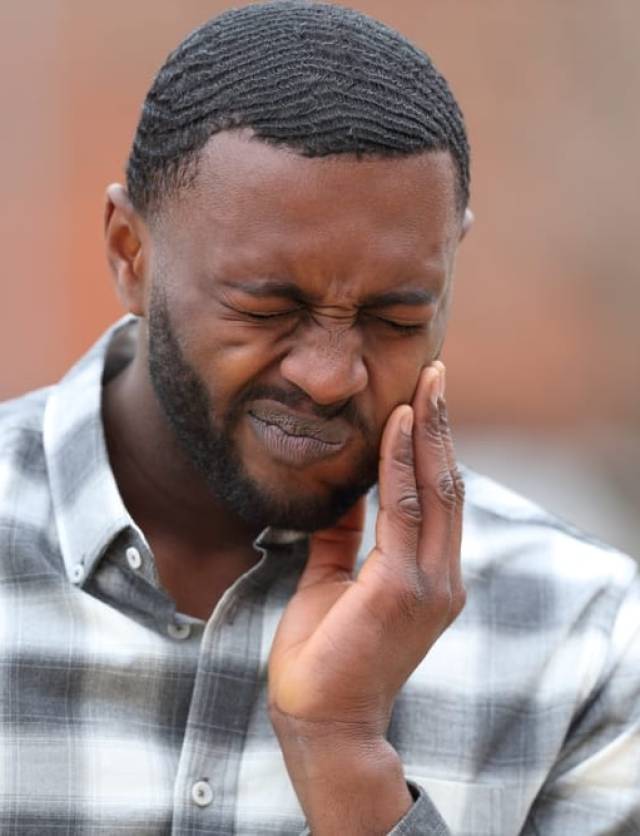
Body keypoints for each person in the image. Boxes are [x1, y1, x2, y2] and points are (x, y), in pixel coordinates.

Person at [0, 1, 638, 833]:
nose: (332, 378)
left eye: (397, 320)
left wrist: (343, 756)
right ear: (130, 252)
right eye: (267, 308)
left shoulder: (577, 638)